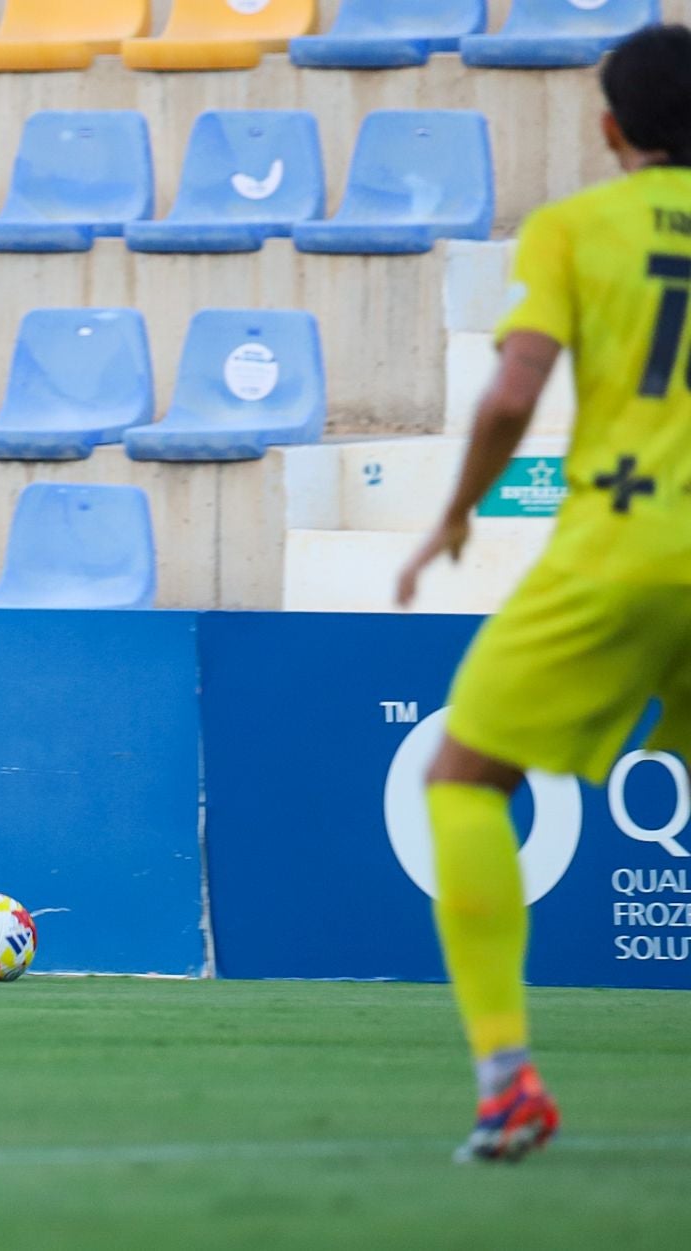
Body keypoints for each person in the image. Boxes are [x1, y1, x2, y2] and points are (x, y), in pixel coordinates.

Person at [395, 23, 691, 1162]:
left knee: (465, 778)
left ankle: (508, 1079)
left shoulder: (575, 228)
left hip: (620, 549)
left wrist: (458, 510)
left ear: (611, 129)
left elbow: (515, 391)